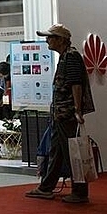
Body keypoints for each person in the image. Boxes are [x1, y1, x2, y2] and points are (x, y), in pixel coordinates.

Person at [26, 23, 94, 203]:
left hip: (67, 114)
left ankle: (80, 192)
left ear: (61, 40)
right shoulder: (65, 56)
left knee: (73, 154)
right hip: (60, 114)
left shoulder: (71, 56)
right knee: (56, 151)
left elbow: (76, 84)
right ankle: (46, 187)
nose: (47, 40)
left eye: (50, 37)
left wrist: (77, 110)